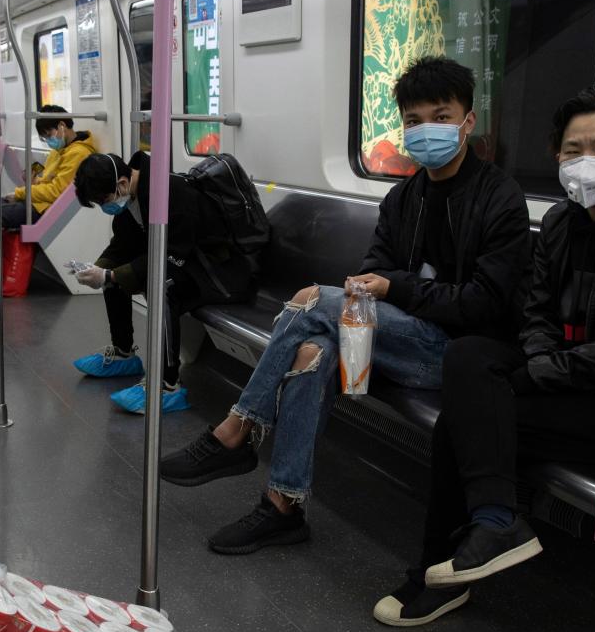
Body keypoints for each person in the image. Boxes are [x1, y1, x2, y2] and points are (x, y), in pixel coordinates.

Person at [159, 56, 532, 556]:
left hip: (454, 353)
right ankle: (282, 506)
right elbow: (373, 269)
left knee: (311, 300)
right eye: (414, 121)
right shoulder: (404, 198)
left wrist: (395, 288)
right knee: (312, 352)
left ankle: (237, 429)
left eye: (442, 117)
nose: (428, 131)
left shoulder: (499, 199)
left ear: (468, 122)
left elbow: (485, 302)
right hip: (396, 334)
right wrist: (387, 289)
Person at [374, 84, 595, 627]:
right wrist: (539, 362)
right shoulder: (560, 223)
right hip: (564, 377)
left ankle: (441, 568)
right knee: (470, 357)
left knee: (462, 420)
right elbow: (537, 314)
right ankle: (493, 520)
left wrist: (535, 373)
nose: (585, 163)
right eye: (573, 151)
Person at [67, 150, 258, 413]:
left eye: (104, 201)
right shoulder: (131, 196)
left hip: (218, 271)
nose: (106, 208)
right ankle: (124, 353)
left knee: (160, 287)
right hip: (187, 262)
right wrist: (100, 269)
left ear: (122, 184)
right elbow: (123, 244)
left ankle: (167, 384)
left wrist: (113, 274)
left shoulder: (171, 191)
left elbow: (174, 253)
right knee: (113, 275)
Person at [0, 105, 97, 301]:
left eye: (48, 134)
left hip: (47, 209)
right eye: (44, 138)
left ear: (62, 125)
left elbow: (56, 192)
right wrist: (32, 183)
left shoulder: (78, 153)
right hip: (39, 202)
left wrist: (21, 193)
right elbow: (47, 180)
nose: (48, 141)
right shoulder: (61, 150)